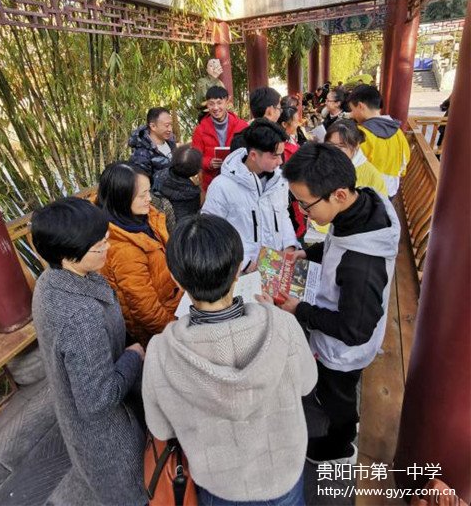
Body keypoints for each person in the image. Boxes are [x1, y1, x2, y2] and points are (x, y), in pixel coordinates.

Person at [142, 214, 317, 505]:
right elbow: (307, 383)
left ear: (176, 279)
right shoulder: (283, 326)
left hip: (219, 487)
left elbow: (161, 428)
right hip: (284, 475)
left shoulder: (160, 353)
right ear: (238, 271)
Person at [278, 142, 400, 465]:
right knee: (332, 388)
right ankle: (334, 408)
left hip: (344, 350)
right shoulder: (357, 209)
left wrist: (300, 309)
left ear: (339, 195)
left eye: (305, 204)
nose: (302, 211)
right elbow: (335, 245)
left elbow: (354, 331)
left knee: (339, 397)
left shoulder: (362, 266)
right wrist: (307, 253)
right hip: (337, 322)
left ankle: (340, 446)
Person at [31, 198, 146, 506]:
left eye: (105, 238)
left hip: (77, 420)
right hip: (109, 437)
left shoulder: (50, 280)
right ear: (67, 255)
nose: (108, 247)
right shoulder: (80, 316)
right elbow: (97, 400)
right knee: (134, 493)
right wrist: (133, 356)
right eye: (99, 245)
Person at [98, 162, 182, 346]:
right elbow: (147, 310)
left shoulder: (142, 217)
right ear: (121, 198)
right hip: (161, 326)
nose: (149, 199)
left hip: (173, 298)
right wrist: (178, 332)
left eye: (149, 191)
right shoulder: (123, 249)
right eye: (142, 195)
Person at [202, 119, 300, 271]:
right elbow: (211, 232)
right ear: (253, 155)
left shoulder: (279, 180)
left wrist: (290, 245)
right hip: (242, 272)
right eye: (275, 156)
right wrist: (245, 263)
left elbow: (282, 214)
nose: (280, 161)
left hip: (275, 266)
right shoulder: (221, 186)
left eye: (281, 155)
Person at [348, 84, 410, 197]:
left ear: (360, 106)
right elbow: (405, 161)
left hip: (366, 193)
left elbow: (351, 166)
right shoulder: (398, 132)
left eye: (352, 110)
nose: (352, 114)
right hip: (391, 190)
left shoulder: (361, 134)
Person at [191, 86, 248, 192]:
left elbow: (250, 152)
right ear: (207, 105)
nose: (215, 108)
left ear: (227, 102)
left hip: (237, 180)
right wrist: (209, 163)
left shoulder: (242, 125)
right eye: (211, 104)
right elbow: (195, 158)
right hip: (212, 183)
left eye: (219, 103)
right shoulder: (200, 130)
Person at [325, 119, 388, 197]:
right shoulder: (321, 163)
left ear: (356, 146)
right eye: (330, 145)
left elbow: (380, 203)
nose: (334, 150)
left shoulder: (372, 177)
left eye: (341, 146)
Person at [278, 106, 306, 239]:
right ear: (284, 124)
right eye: (295, 121)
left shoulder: (291, 138)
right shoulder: (281, 149)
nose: (298, 123)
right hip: (291, 197)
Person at [153, 143, 202, 219]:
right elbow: (192, 216)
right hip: (178, 223)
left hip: (156, 217)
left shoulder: (159, 175)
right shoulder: (192, 192)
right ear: (195, 170)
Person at [128, 107, 175, 185]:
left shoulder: (171, 143)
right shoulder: (141, 154)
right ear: (153, 126)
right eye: (167, 125)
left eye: (171, 125)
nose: (170, 129)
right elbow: (142, 186)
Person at [229, 86, 283, 152]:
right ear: (270, 111)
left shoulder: (238, 139)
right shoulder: (273, 139)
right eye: (279, 108)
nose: (280, 112)